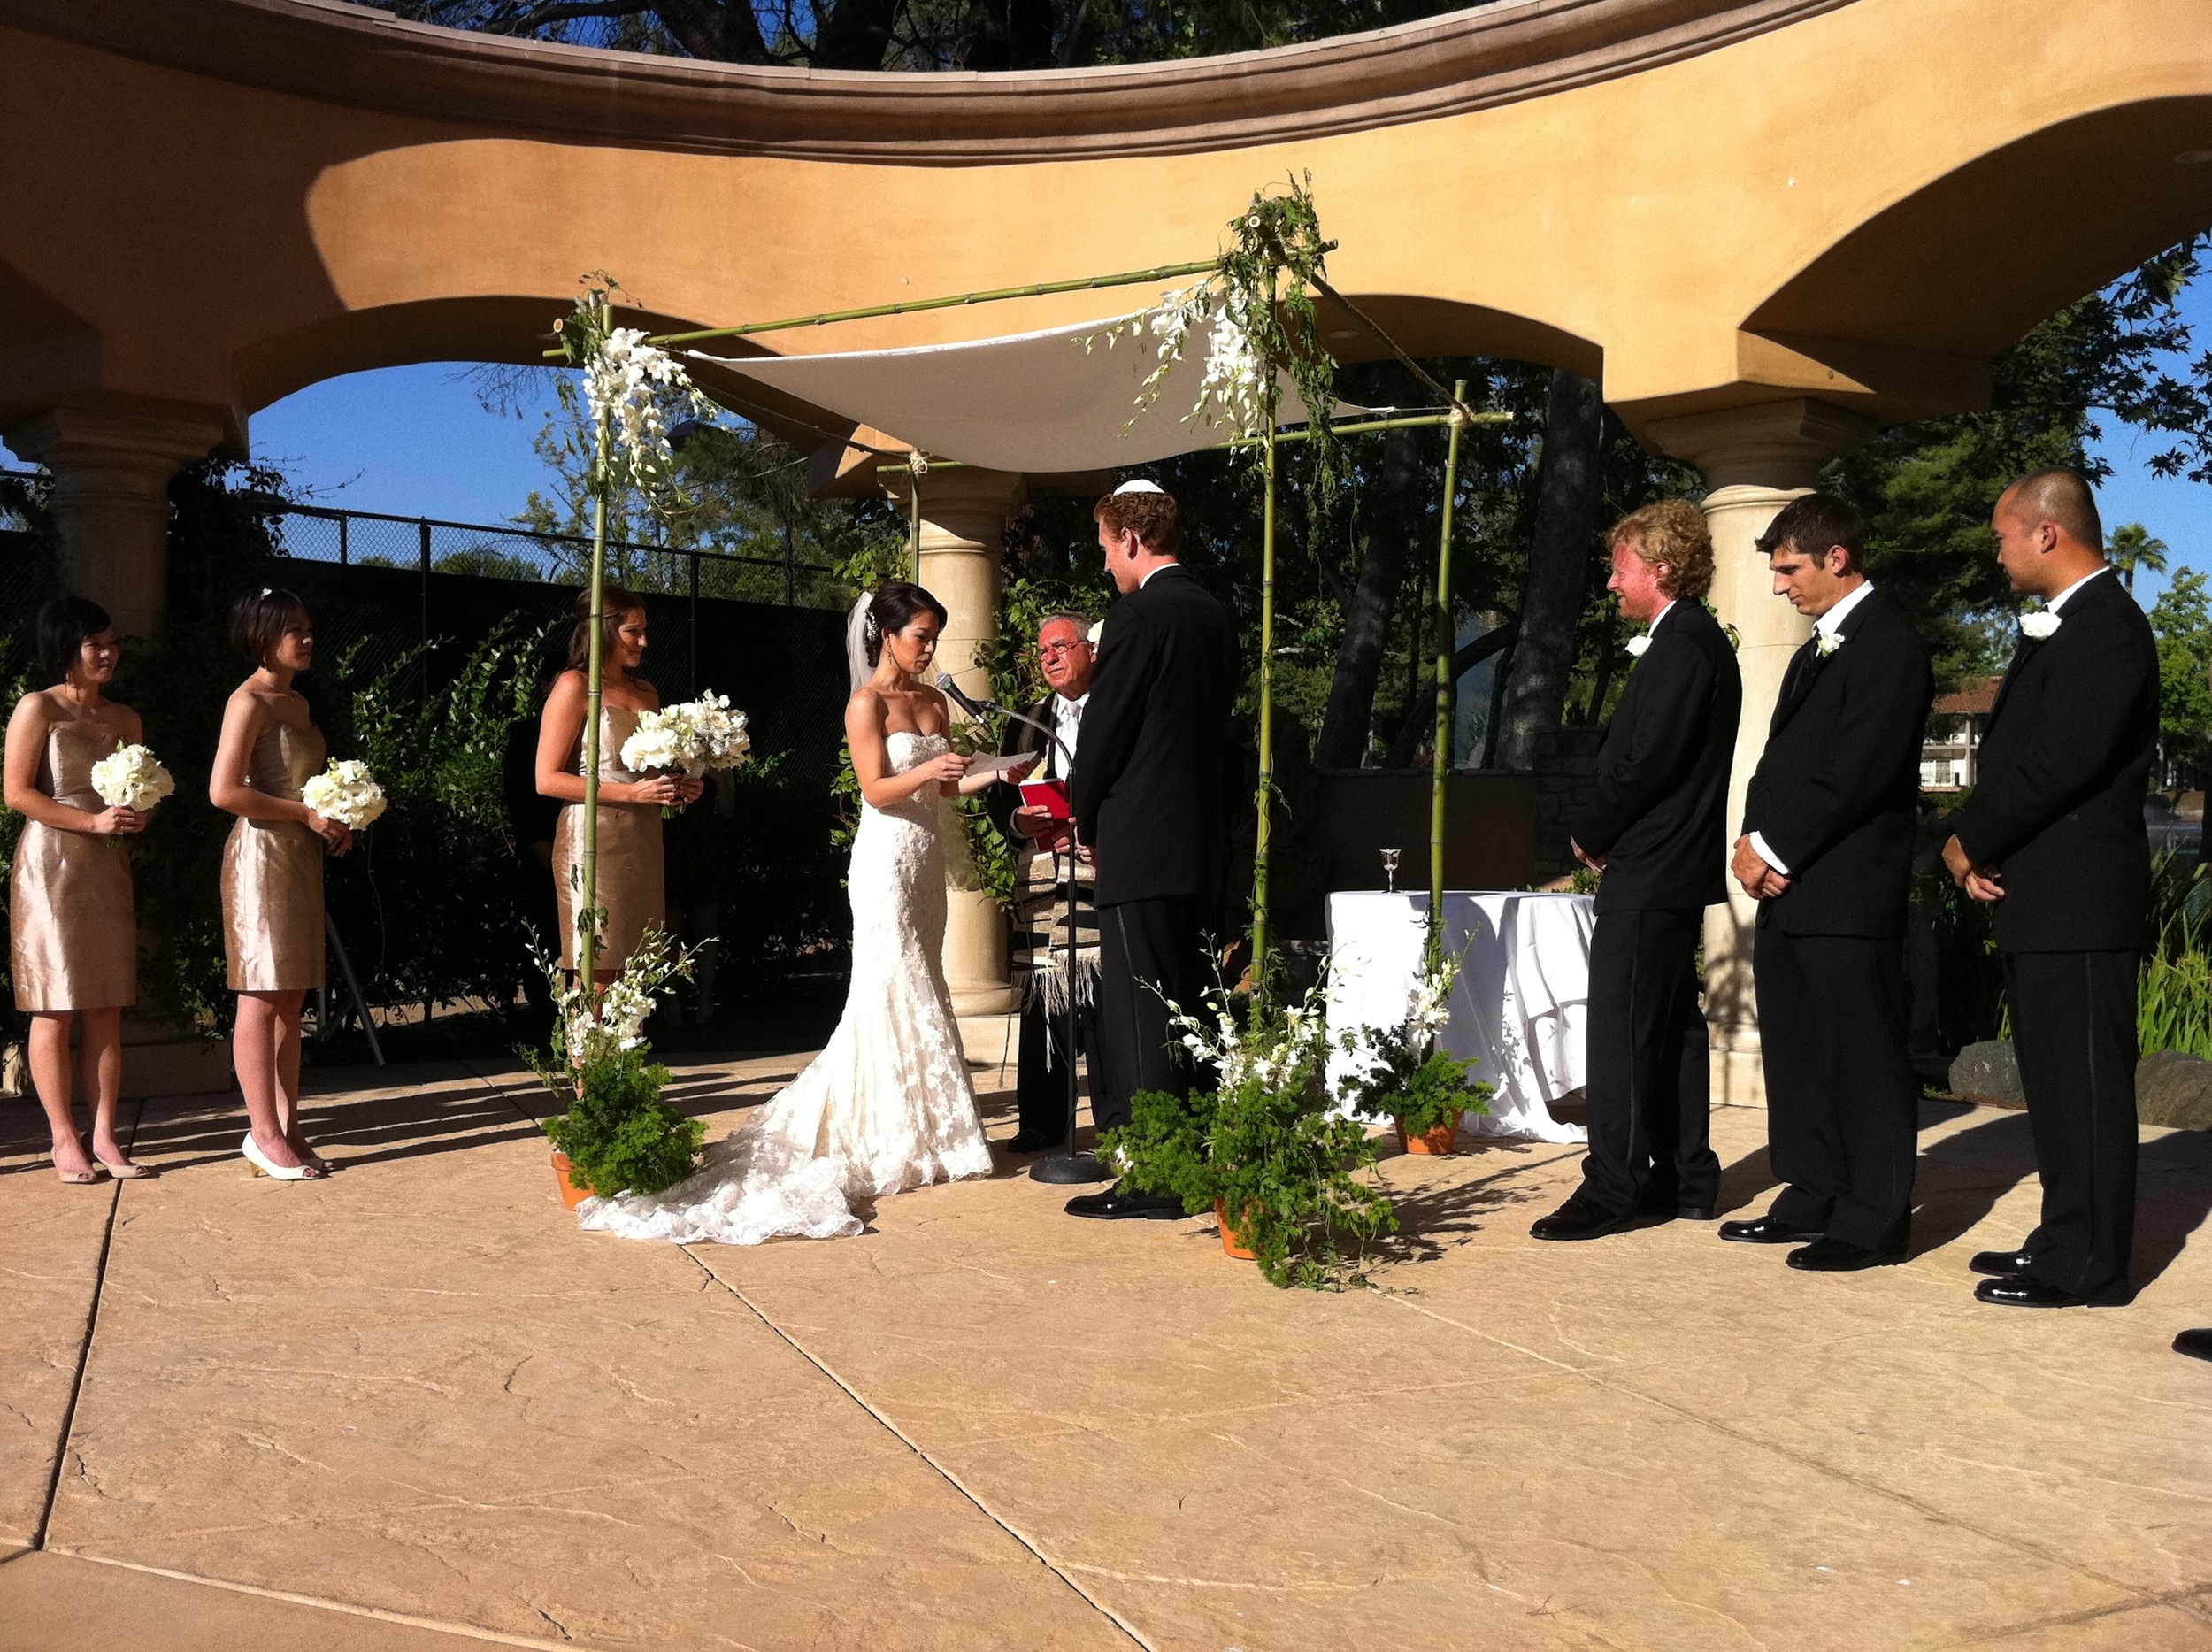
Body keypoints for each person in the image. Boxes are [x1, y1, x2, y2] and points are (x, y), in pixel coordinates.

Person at [578, 582, 1031, 1244]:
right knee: (890, 985)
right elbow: (877, 788)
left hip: (926, 860)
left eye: (935, 635)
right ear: (885, 634)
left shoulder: (934, 701)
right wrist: (935, 771)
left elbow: (949, 779)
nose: (929, 647)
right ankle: (892, 1129)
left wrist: (994, 773)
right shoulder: (864, 702)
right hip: (884, 863)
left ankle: (927, 1123)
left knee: (924, 979)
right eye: (919, 635)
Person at [1943, 468, 2157, 1309]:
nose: (1996, 554)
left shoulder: (2107, 625)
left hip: (2080, 898)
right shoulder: (2061, 629)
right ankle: (2062, 1234)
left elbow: (2060, 763)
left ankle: (2091, 1261)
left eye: (2002, 536)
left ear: (2045, 532)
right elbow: (2013, 758)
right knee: (2056, 1083)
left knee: (2089, 1087)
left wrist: (1969, 838)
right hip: (2041, 897)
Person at [1723, 493, 1934, 1270]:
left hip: (1847, 893)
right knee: (1800, 1052)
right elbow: (1783, 762)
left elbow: (1860, 772)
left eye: (1790, 568)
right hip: (1792, 889)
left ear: (1836, 557)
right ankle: (1811, 1190)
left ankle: (1874, 1217)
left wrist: (1772, 846)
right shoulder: (1819, 648)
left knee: (1863, 1061)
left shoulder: (1889, 645)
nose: (1781, 584)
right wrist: (1751, 841)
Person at [1532, 501, 1740, 1241]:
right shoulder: (1690, 641)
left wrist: (1593, 829)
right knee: (1672, 1025)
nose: (1611, 582)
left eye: (1620, 567)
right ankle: (1683, 1174)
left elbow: (1647, 759)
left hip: (1652, 865)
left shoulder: (1684, 644)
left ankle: (1613, 1182)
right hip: (1670, 866)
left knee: (1622, 1027)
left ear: (1660, 567)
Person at [1065, 480, 1240, 1223]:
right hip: (1201, 840)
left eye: (1107, 547)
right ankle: (1200, 1155)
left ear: (1131, 539)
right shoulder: (1215, 615)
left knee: (1140, 1011)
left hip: (1140, 839)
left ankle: (1155, 1176)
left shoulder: (1136, 616)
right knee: (1194, 1002)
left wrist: (1082, 811)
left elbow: (1106, 731)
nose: (1106, 563)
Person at [5, 596, 153, 1183]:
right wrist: (89, 822)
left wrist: (138, 814)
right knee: (56, 1006)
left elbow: (137, 789)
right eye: (97, 644)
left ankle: (107, 1136)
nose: (109, 653)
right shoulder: (37, 707)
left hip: (108, 867)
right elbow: (17, 792)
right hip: (51, 868)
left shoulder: (126, 718)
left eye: (113, 643)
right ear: (66, 649)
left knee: (106, 1007)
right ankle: (64, 1139)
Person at [210, 588, 348, 1181]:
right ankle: (261, 1130)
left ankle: (288, 1124)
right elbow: (223, 791)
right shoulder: (249, 701)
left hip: (298, 855)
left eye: (309, 625)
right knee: (261, 993)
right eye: (293, 628)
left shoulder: (299, 704)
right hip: (260, 856)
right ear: (263, 636)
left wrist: (337, 818)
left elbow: (305, 788)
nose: (306, 637)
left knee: (292, 995)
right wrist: (303, 815)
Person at [534, 587, 698, 987]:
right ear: (604, 630)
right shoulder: (573, 685)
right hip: (592, 839)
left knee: (638, 967)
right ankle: (588, 1051)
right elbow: (546, 779)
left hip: (642, 836)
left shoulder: (647, 692)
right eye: (633, 631)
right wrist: (630, 794)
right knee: (597, 966)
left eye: (645, 631)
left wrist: (677, 789)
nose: (644, 641)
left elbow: (647, 771)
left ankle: (627, 1049)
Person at [984, 611, 1100, 1153]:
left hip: (1101, 871)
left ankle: (1115, 1120)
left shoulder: (1115, 711)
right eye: (1043, 651)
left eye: (1061, 646)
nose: (1050, 657)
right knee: (1043, 998)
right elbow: (999, 795)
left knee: (1100, 998)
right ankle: (1041, 1120)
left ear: (1089, 650)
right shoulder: (1025, 720)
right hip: (1041, 877)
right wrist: (1018, 821)